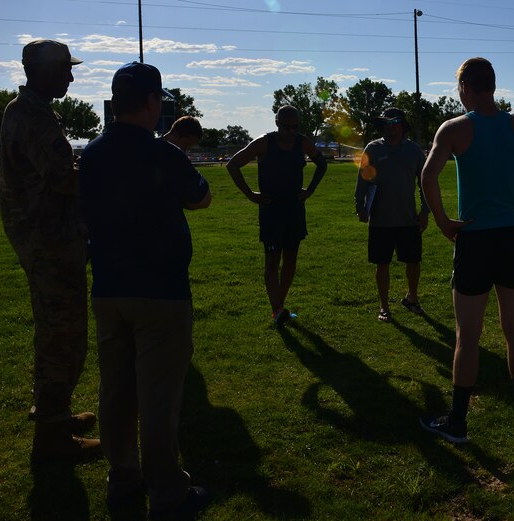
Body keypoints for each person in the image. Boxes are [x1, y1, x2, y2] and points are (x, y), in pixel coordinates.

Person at [79, 62, 212, 519]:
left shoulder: (92, 153)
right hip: (160, 291)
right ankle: (167, 490)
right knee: (158, 396)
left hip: (109, 288)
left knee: (115, 389)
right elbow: (200, 196)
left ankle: (122, 476)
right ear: (154, 103)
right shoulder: (164, 154)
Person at [418, 57, 514, 443]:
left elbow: (427, 175)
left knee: (467, 337)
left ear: (467, 87)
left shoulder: (454, 128)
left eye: (459, 89)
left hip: (474, 240)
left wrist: (443, 221)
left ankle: (457, 421)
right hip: (512, 239)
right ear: (492, 85)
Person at [0, 39, 100, 460]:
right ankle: (53, 439)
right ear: (39, 71)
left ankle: (56, 416)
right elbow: (63, 179)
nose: (71, 76)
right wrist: (106, 172)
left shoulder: (29, 110)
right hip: (51, 243)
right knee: (62, 336)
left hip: (47, 240)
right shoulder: (34, 117)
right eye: (64, 69)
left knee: (58, 331)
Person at [226, 105, 327, 325]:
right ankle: (277, 308)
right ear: (277, 123)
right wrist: (250, 194)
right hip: (271, 210)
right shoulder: (264, 142)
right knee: (272, 260)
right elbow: (233, 165)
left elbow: (322, 164)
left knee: (291, 259)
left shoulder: (303, 142)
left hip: (294, 209)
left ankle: (279, 306)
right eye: (286, 127)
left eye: (294, 127)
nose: (290, 132)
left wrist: (310, 190)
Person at [354, 107, 429, 322]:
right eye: (386, 123)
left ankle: (412, 298)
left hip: (408, 218)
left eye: (394, 121)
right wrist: (360, 205)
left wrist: (425, 211)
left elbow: (425, 183)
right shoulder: (373, 148)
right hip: (380, 219)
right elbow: (363, 180)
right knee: (382, 263)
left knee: (413, 261)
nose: (390, 126)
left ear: (402, 124)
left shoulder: (414, 151)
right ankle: (384, 306)